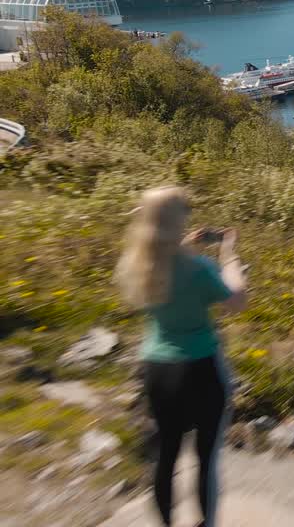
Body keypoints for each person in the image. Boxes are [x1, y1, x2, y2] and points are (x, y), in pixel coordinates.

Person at [115, 186, 248, 527]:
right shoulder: (200, 269)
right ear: (177, 220)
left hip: (156, 369)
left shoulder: (136, 263)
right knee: (205, 458)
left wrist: (183, 244)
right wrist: (230, 254)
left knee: (166, 455)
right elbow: (235, 301)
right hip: (201, 369)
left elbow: (166, 268)